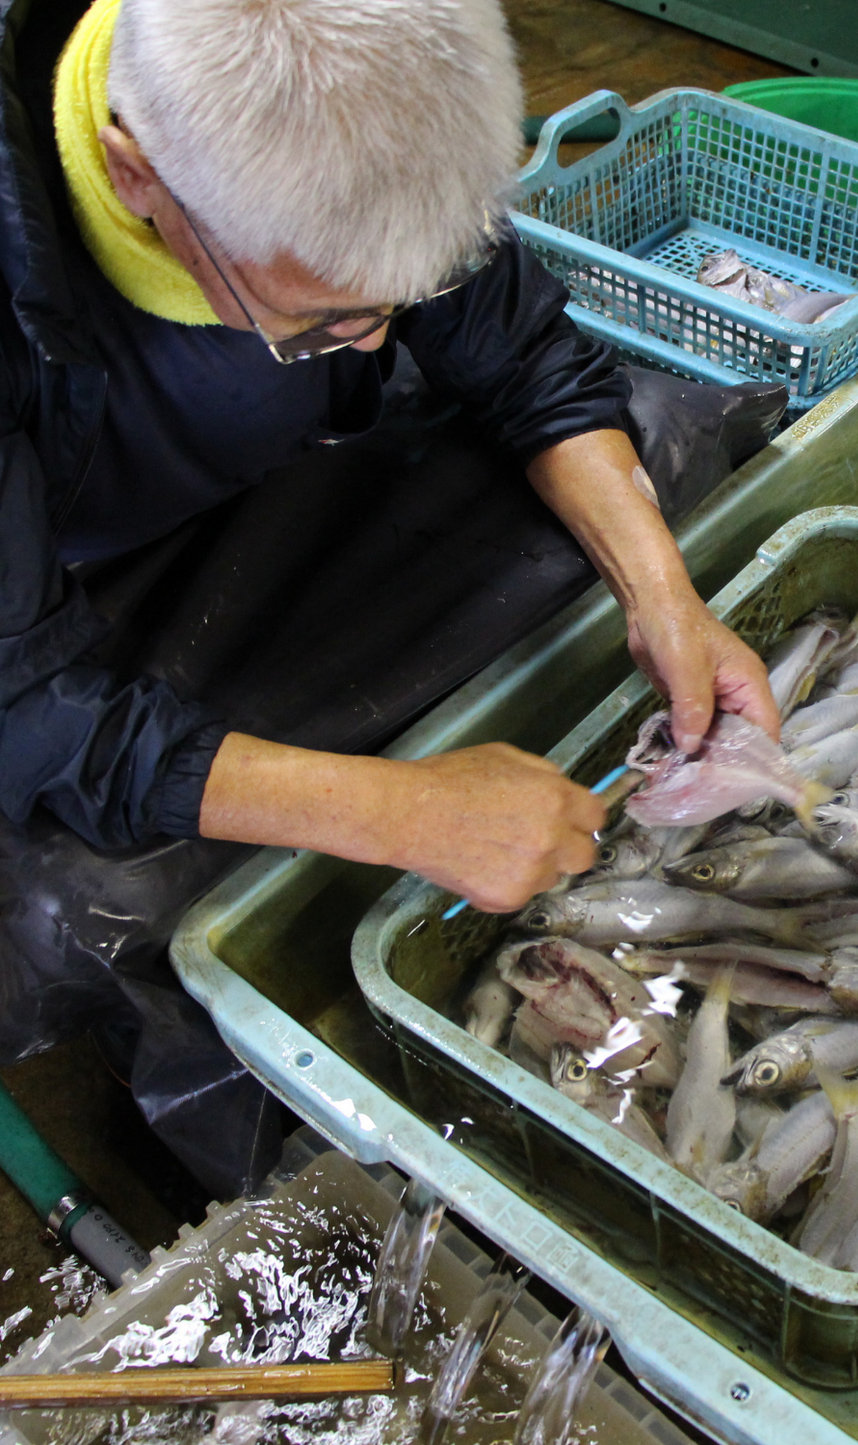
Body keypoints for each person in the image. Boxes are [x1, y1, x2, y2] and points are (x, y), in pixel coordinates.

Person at [0, 0, 781, 1192]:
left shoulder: (359, 80)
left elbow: (527, 361)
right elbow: (28, 711)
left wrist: (661, 596)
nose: (375, 346)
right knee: (81, 894)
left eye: (399, 302)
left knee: (657, 432)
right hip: (38, 610)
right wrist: (400, 811)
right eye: (323, 319)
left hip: (248, 480)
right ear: (134, 175)